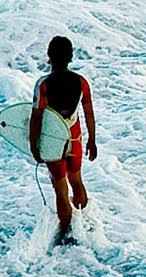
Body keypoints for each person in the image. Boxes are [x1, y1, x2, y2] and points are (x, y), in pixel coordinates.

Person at [30, 35, 96, 244]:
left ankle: (67, 231)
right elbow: (89, 113)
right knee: (76, 179)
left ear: (49, 57)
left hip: (53, 141)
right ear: (71, 57)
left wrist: (34, 146)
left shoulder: (43, 84)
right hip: (75, 137)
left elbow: (37, 118)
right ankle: (82, 222)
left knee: (60, 188)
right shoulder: (81, 82)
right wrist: (92, 141)